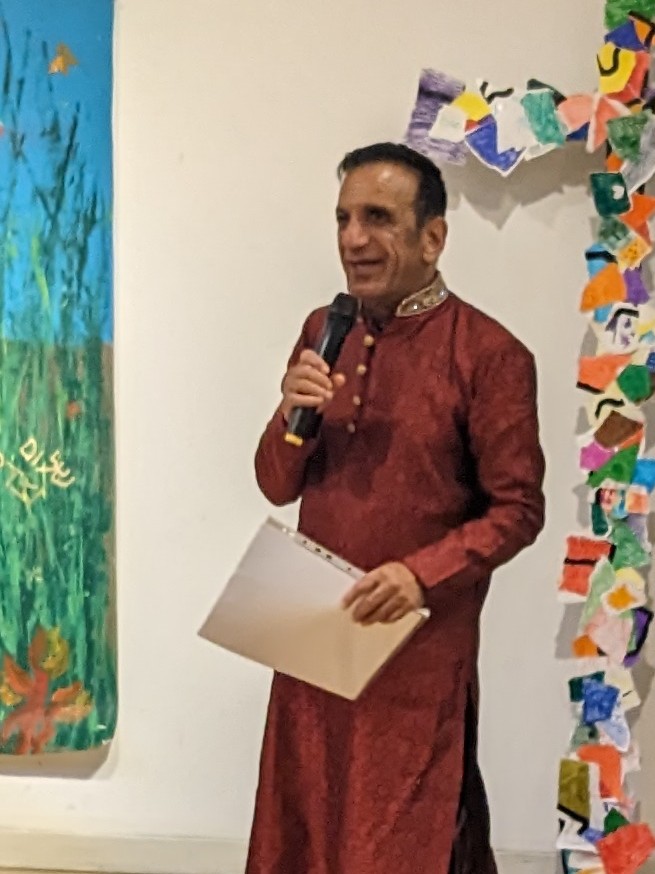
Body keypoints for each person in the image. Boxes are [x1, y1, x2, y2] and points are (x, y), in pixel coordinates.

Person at [246, 142, 545, 874]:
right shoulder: (324, 329)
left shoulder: (489, 354)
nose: (353, 239)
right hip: (313, 642)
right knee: (302, 834)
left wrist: (419, 574)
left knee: (396, 844)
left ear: (432, 237)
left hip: (415, 657)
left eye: (377, 218)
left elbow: (518, 509)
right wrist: (287, 411)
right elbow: (276, 484)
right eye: (343, 218)